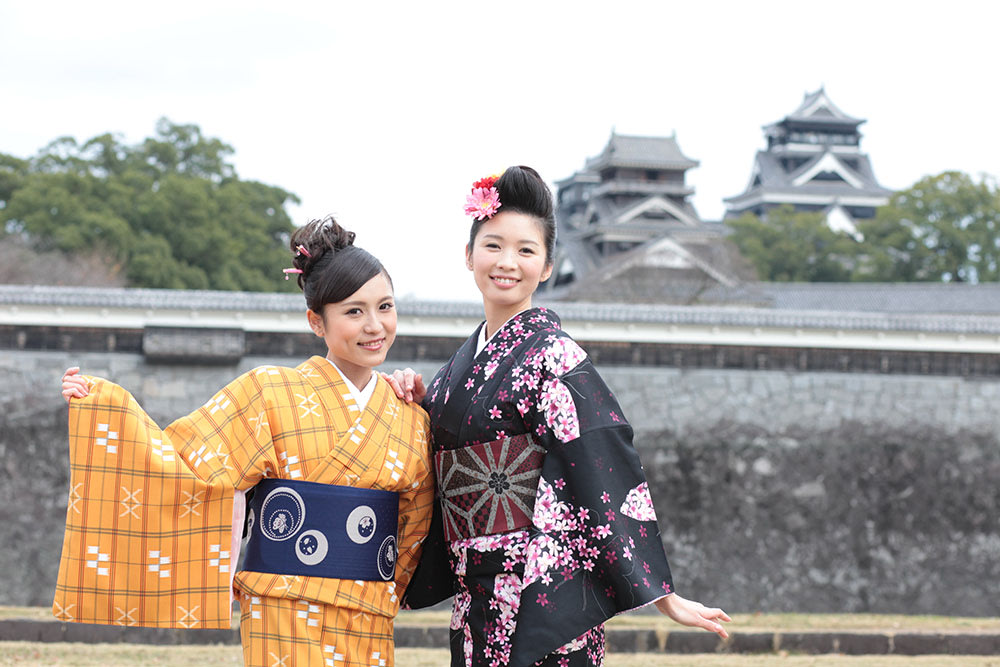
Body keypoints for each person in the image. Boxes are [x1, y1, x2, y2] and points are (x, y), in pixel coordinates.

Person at [386, 167, 730, 666]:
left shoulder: (556, 357)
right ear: (468, 255)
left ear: (547, 266)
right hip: (474, 594)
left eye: (526, 250)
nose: (508, 262)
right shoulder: (451, 374)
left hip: (539, 592)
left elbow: (601, 462)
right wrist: (413, 404)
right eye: (493, 246)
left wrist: (658, 591)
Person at [54, 216, 433, 667]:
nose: (375, 325)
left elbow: (416, 520)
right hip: (283, 606)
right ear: (317, 321)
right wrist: (101, 406)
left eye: (385, 307)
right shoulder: (268, 391)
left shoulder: (409, 414)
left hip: (371, 607)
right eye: (354, 311)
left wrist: (387, 588)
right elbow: (182, 462)